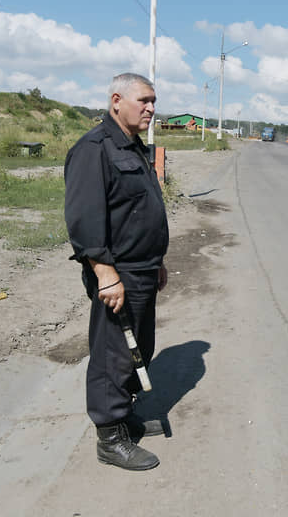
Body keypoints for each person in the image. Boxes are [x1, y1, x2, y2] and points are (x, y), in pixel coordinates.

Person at [64, 72, 169, 471]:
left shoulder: (133, 146)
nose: (151, 108)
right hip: (118, 274)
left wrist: (157, 260)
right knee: (113, 355)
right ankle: (109, 438)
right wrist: (105, 273)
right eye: (143, 100)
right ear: (116, 101)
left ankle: (123, 417)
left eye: (153, 101)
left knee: (137, 347)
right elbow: (83, 218)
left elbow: (141, 209)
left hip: (142, 269)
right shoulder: (94, 149)